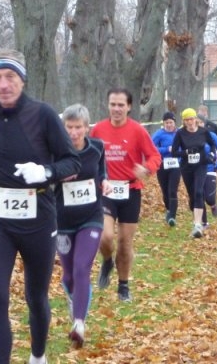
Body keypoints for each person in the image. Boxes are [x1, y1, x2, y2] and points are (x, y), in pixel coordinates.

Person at [0, 48, 81, 364]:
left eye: (10, 76)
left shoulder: (43, 115)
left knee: (36, 296)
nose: (4, 84)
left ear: (22, 80)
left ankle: (38, 355)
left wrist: (45, 172)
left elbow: (72, 162)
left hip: (39, 217)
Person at [90, 88, 161, 302]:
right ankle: (107, 260)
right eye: (113, 104)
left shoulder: (137, 130)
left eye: (121, 105)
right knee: (105, 236)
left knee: (125, 242)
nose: (117, 109)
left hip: (131, 190)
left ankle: (123, 285)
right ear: (108, 105)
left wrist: (147, 168)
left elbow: (155, 156)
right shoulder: (98, 130)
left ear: (129, 107)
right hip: (106, 190)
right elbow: (88, 156)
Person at [56, 103, 112, 348]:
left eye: (78, 127)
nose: (73, 132)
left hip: (91, 217)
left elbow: (101, 171)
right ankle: (74, 299)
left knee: (82, 268)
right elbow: (46, 179)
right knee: (69, 275)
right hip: (62, 221)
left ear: (87, 127)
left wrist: (105, 182)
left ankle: (79, 323)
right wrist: (58, 175)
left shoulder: (97, 147)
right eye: (69, 127)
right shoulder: (56, 151)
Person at [171, 108, 217, 238]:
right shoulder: (180, 133)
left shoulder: (203, 132)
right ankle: (197, 221)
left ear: (195, 119)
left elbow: (212, 145)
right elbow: (174, 152)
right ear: (183, 121)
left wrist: (211, 155)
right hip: (187, 168)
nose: (189, 122)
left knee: (199, 192)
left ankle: (198, 225)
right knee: (192, 196)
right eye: (186, 120)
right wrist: (186, 152)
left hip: (201, 165)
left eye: (191, 119)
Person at [151, 111, 181, 227]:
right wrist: (166, 149)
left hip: (176, 165)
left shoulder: (179, 133)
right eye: (166, 123)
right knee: (165, 190)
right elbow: (151, 148)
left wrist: (179, 154)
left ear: (174, 123)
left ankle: (172, 216)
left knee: (172, 190)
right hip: (162, 165)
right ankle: (169, 209)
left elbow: (185, 146)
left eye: (171, 122)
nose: (169, 125)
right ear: (163, 123)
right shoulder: (159, 134)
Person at [196, 116, 217, 227]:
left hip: (210, 169)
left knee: (209, 198)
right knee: (199, 195)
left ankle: (213, 204)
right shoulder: (188, 136)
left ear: (204, 124)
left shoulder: (211, 135)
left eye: (200, 122)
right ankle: (204, 223)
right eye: (196, 122)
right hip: (195, 170)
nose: (198, 125)